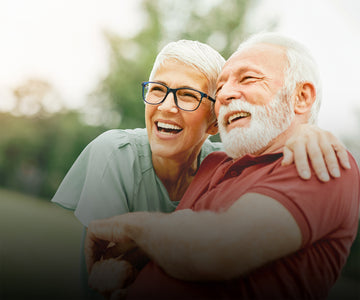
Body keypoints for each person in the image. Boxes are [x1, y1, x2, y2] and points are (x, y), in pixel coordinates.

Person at [53, 39, 347, 298]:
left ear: (213, 123)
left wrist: (306, 131)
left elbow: (217, 248)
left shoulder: (240, 162)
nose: (168, 106)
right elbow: (111, 264)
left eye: (188, 96)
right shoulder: (128, 155)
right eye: (157, 90)